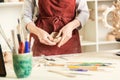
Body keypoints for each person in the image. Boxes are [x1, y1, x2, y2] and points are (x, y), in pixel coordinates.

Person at [21, 0, 89, 56]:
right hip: (41, 40)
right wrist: (38, 32)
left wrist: (70, 27)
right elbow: (25, 16)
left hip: (69, 41)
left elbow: (84, 13)